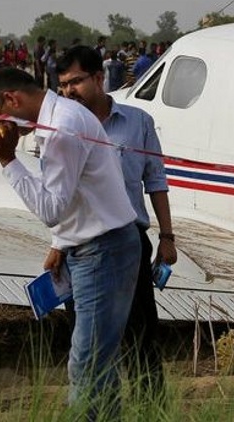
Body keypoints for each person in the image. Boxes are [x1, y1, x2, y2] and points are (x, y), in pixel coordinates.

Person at [0, 68, 139, 419]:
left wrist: (8, 160)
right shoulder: (61, 117)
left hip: (104, 251)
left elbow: (52, 208)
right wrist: (61, 243)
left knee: (85, 362)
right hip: (97, 247)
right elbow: (78, 193)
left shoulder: (61, 129)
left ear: (12, 100)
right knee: (97, 359)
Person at [55, 45, 176, 397]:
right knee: (88, 338)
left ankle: (148, 407)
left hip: (129, 243)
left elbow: (156, 180)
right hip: (81, 246)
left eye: (76, 81)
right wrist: (57, 245)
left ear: (98, 78)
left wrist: (167, 237)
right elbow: (57, 194)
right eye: (63, 85)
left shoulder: (137, 122)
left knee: (140, 334)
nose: (69, 92)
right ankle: (102, 408)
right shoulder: (61, 128)